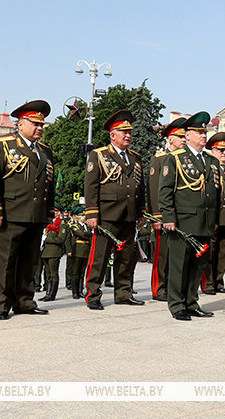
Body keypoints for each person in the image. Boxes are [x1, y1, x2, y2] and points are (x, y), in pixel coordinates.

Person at [0, 100, 55, 319]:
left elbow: (48, 184)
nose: (39, 128)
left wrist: (49, 211)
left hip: (36, 215)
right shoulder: (3, 145)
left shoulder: (45, 151)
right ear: (21, 124)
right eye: (35, 124)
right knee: (5, 262)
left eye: (42, 125)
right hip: (10, 213)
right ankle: (1, 305)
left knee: (29, 261)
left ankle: (24, 301)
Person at [158, 112, 220, 321]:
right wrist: (168, 217)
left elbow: (215, 194)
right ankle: (177, 305)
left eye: (205, 132)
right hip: (182, 221)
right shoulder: (175, 158)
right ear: (188, 135)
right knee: (179, 265)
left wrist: (216, 219)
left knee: (198, 265)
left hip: (205, 221)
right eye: (199, 132)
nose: (204, 136)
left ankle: (192, 302)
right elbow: (165, 191)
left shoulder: (211, 161)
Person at [83, 110, 146, 310]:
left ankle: (123, 293)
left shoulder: (135, 157)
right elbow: (91, 186)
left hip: (129, 214)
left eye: (130, 132)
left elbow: (140, 187)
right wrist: (91, 212)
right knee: (99, 257)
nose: (128, 135)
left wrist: (141, 212)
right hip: (106, 215)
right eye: (123, 132)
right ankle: (93, 294)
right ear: (113, 135)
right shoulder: (99, 155)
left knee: (127, 257)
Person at [147, 117, 186, 302]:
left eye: (185, 136)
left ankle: (173, 288)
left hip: (180, 216)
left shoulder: (185, 160)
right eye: (179, 137)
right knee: (162, 255)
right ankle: (159, 288)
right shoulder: (160, 159)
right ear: (170, 139)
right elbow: (155, 190)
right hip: (163, 216)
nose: (183, 140)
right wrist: (157, 216)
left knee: (176, 255)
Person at [202, 131, 225, 295]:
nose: (224, 153)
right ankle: (208, 283)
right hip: (212, 216)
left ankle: (218, 282)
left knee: (223, 251)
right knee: (210, 251)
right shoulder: (208, 168)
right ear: (212, 151)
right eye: (220, 150)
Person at [40, 213, 71, 301]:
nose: (55, 213)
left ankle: (52, 295)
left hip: (54, 252)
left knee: (53, 273)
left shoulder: (62, 225)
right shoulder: (48, 223)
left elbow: (61, 239)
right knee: (47, 274)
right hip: (45, 252)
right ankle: (48, 293)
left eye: (56, 211)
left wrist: (46, 239)